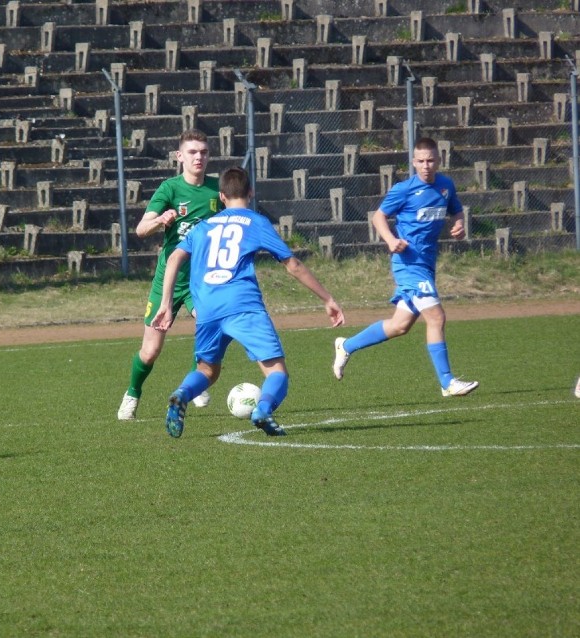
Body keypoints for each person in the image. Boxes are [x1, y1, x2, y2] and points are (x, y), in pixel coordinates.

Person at [151, 166, 345, 438]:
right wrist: (327, 298)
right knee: (277, 372)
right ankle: (264, 410)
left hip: (206, 307)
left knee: (207, 370)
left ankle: (182, 394)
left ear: (221, 196)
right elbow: (293, 265)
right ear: (250, 193)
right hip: (242, 305)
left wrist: (166, 304)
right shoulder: (256, 222)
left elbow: (173, 258)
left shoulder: (203, 226)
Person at [332, 137, 478, 397]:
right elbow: (378, 216)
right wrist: (390, 240)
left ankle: (346, 346)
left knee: (400, 325)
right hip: (408, 263)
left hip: (427, 262)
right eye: (420, 161)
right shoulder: (404, 189)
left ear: (439, 160)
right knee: (436, 317)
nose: (426, 166)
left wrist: (458, 223)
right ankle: (447, 382)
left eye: (431, 160)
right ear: (413, 162)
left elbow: (456, 210)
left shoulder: (446, 186)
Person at [117, 129, 224, 420]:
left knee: (208, 328)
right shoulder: (170, 189)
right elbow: (140, 230)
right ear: (180, 157)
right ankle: (132, 393)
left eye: (203, 151)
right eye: (192, 152)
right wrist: (160, 220)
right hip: (169, 279)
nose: (198, 156)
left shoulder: (218, 189)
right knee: (150, 351)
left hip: (202, 280)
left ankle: (196, 383)